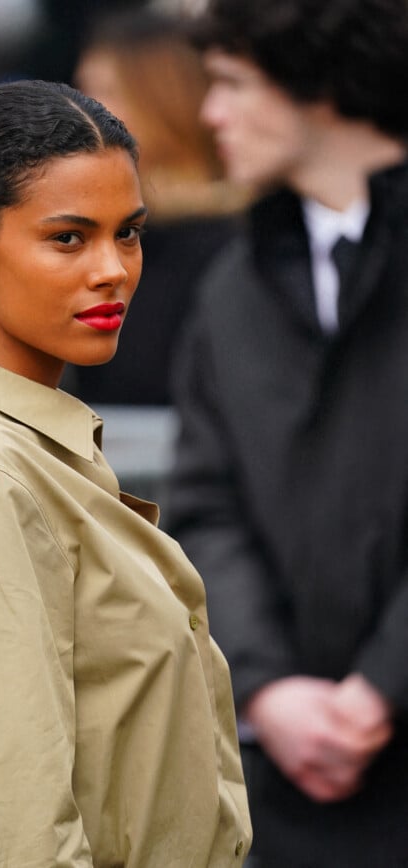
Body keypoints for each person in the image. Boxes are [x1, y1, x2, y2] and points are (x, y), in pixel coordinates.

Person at [0, 79, 251, 867]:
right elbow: (20, 835)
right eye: (69, 238)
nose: (113, 269)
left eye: (129, 233)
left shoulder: (33, 451)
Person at [167, 1, 408, 865]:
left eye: (231, 83)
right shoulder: (231, 290)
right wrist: (270, 692)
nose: (209, 113)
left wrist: (384, 687)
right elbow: (205, 506)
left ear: (318, 81)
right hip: (292, 790)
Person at [61, 8, 250, 405]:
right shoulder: (84, 225)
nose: (81, 111)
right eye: (81, 90)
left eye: (106, 90)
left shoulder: (226, 243)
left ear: (166, 103)